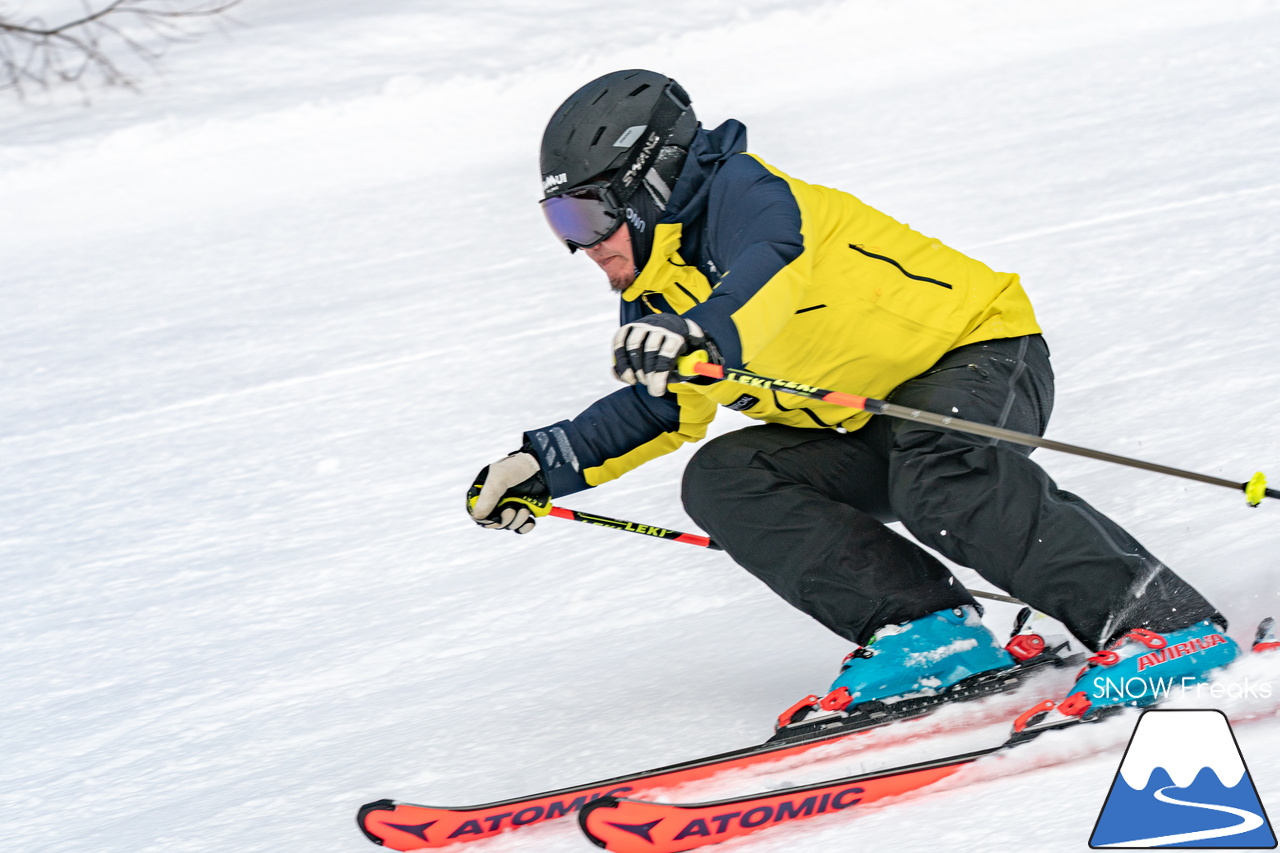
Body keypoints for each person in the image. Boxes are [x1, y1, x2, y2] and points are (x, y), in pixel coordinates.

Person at [467, 69, 1239, 725]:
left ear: (651, 184)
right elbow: (660, 408)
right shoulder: (657, 285)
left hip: (979, 354)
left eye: (587, 213)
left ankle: (1165, 627)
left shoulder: (750, 199)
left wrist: (697, 334)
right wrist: (544, 461)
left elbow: (763, 275)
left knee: (940, 478)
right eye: (558, 221)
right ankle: (926, 632)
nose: (580, 243)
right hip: (868, 422)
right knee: (725, 476)